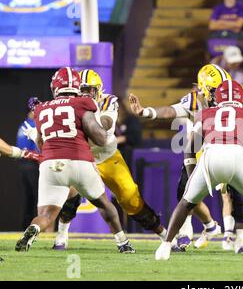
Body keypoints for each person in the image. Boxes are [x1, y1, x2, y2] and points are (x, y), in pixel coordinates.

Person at [24, 69, 167, 249]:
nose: (85, 94)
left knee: (131, 199)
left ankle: (163, 233)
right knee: (69, 196)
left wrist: (78, 113)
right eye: (82, 89)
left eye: (90, 90)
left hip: (107, 158)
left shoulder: (107, 101)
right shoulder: (73, 104)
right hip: (80, 156)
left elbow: (104, 125)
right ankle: (62, 236)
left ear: (99, 90)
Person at [129, 64, 243, 253]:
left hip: (229, 147)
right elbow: (172, 111)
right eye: (214, 89)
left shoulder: (233, 98)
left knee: (239, 193)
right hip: (200, 149)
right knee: (185, 192)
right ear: (203, 89)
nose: (220, 93)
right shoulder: (195, 100)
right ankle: (202, 227)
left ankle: (241, 239)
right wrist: (146, 112)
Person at [154, 80, 243, 261]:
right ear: (241, 97)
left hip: (211, 155)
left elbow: (190, 148)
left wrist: (192, 175)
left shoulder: (206, 113)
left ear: (217, 97)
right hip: (237, 156)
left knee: (186, 202)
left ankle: (165, 245)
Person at [16, 101, 40, 230]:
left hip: (23, 164)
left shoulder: (22, 124)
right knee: (38, 196)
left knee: (29, 197)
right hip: (31, 164)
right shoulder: (33, 125)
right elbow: (36, 149)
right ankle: (37, 227)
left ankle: (25, 227)